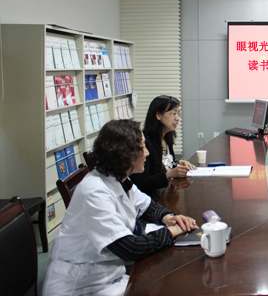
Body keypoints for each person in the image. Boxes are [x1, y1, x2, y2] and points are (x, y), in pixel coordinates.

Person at [43, 120, 198, 296]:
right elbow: (131, 248)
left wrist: (168, 217)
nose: (147, 153)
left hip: (108, 274)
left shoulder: (118, 178)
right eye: (142, 148)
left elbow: (147, 205)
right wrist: (171, 232)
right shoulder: (94, 192)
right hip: (80, 285)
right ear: (125, 155)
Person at [130, 95, 196, 201]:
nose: (177, 118)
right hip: (152, 200)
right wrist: (168, 175)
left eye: (178, 114)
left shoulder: (166, 137)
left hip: (169, 195)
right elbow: (141, 182)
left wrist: (178, 163)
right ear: (158, 115)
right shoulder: (145, 143)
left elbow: (164, 164)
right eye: (173, 113)